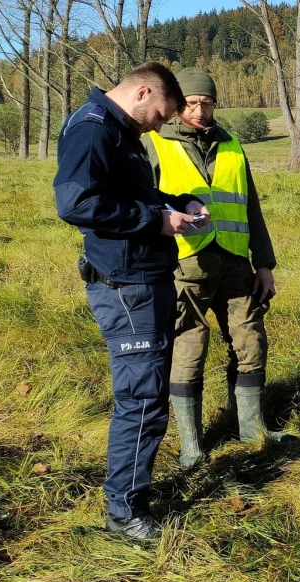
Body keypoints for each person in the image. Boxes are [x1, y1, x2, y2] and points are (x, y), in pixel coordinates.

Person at [54, 63, 208, 541]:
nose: (160, 125)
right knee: (142, 399)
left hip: (144, 280)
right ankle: (124, 512)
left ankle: (131, 493)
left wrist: (178, 202)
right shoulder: (93, 130)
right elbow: (76, 204)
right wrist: (157, 222)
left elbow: (132, 194)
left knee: (148, 393)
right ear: (142, 92)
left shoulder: (119, 131)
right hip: (126, 287)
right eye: (160, 115)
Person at [141, 67, 292, 468]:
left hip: (236, 263)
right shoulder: (154, 143)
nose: (199, 110)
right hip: (183, 266)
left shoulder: (232, 145)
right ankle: (192, 443)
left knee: (251, 342)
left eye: (206, 102)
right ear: (176, 106)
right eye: (191, 103)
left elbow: (251, 208)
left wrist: (264, 264)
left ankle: (251, 429)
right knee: (189, 347)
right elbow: (143, 204)